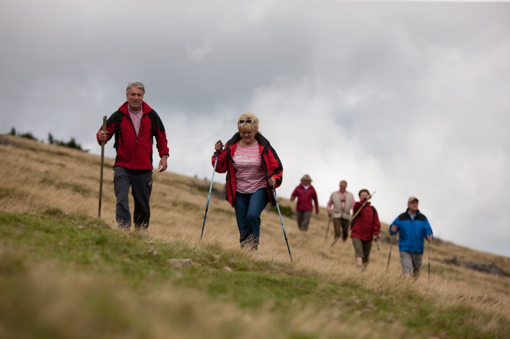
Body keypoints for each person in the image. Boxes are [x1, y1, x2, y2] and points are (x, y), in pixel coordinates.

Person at [96, 81, 169, 231]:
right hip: (122, 167)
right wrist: (101, 136)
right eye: (133, 94)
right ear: (127, 95)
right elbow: (103, 134)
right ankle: (123, 229)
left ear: (143, 96)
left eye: (139, 95)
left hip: (144, 169)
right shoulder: (118, 116)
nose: (136, 97)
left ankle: (141, 233)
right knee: (121, 198)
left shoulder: (152, 116)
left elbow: (161, 137)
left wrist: (164, 156)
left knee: (142, 205)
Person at [212, 113, 283, 250]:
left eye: (249, 132)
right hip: (239, 190)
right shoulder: (231, 146)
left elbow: (277, 167)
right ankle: (245, 252)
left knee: (252, 216)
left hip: (260, 188)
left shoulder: (264, 146)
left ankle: (253, 247)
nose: (246, 135)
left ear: (255, 130)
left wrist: (275, 179)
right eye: (243, 132)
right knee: (242, 224)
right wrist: (218, 153)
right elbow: (220, 167)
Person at [389, 196, 433, 278]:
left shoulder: (423, 218)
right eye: (413, 203)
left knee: (416, 273)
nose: (415, 205)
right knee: (407, 271)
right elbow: (393, 229)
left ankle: (412, 287)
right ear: (408, 205)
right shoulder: (401, 217)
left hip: (418, 250)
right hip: (405, 249)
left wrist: (429, 236)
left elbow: (428, 230)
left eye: (416, 203)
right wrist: (393, 229)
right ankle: (405, 287)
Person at [351, 189, 380, 270]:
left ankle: (363, 272)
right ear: (359, 197)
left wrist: (376, 233)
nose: (364, 196)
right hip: (357, 234)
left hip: (368, 236)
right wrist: (364, 200)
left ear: (369, 195)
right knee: (359, 252)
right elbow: (357, 207)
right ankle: (359, 269)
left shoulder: (372, 209)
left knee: (366, 256)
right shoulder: (357, 206)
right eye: (362, 195)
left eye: (366, 195)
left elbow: (376, 223)